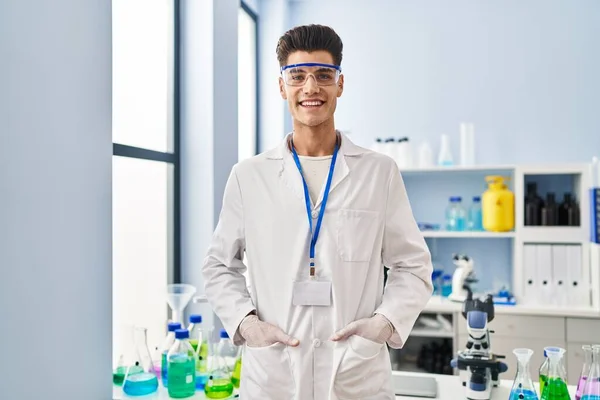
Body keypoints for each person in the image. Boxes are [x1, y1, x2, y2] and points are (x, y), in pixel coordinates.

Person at [202, 24, 433, 400]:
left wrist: (384, 323)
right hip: (274, 374)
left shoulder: (379, 172)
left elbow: (413, 265)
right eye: (297, 76)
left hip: (356, 374)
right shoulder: (249, 176)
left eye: (323, 75)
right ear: (282, 87)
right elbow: (218, 266)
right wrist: (246, 324)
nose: (311, 88)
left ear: (340, 84)